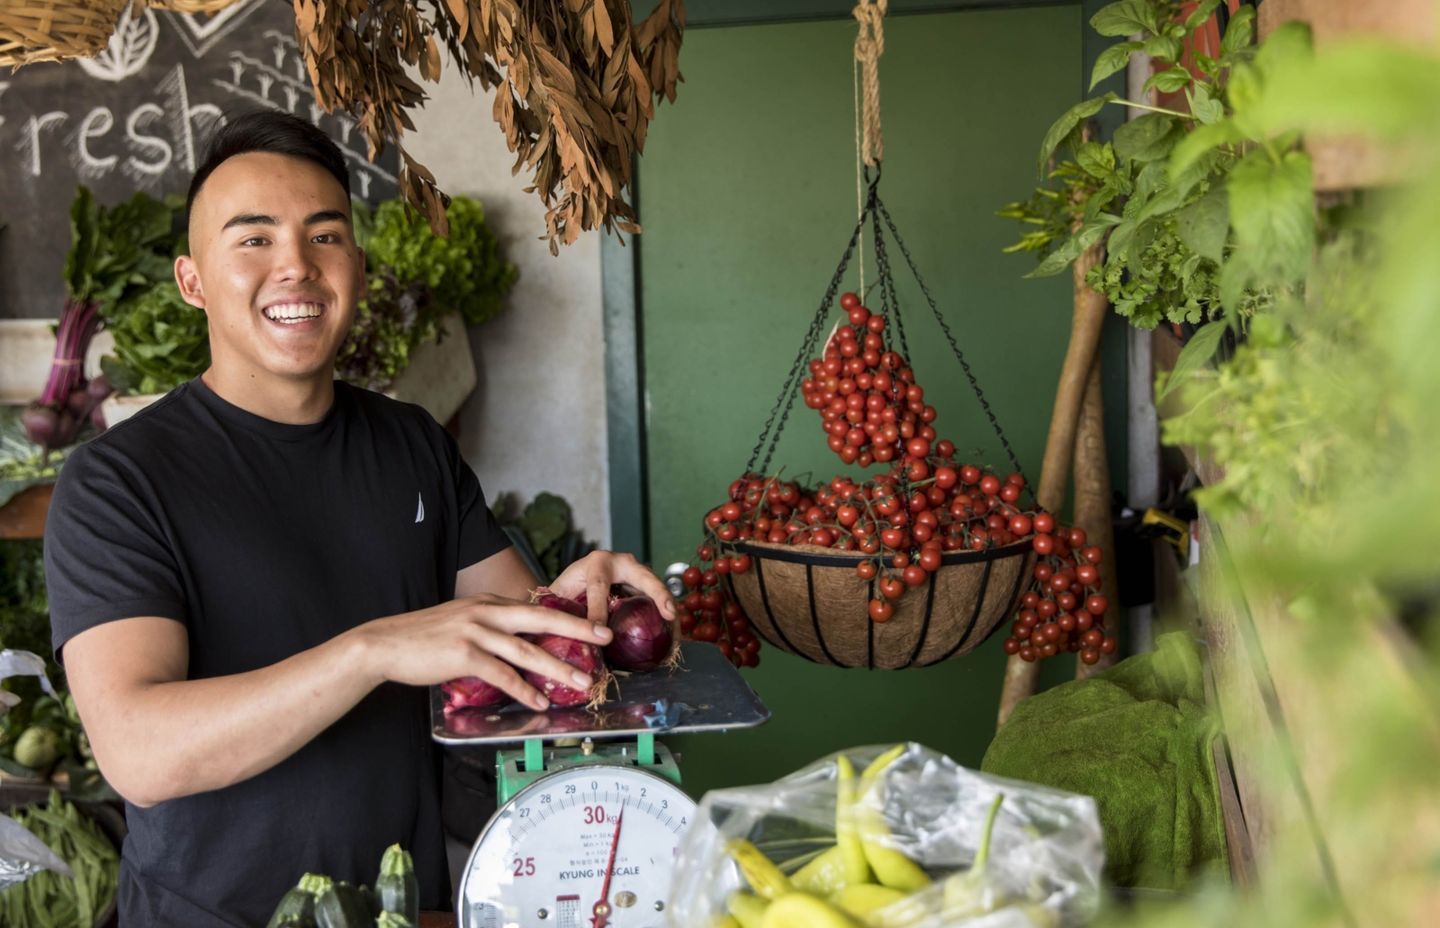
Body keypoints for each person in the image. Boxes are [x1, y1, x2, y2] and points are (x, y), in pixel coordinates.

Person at [42, 110, 674, 926]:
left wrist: (576, 605)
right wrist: (371, 651)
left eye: (325, 236)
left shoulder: (411, 444)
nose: (296, 267)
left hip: (402, 908)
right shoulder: (118, 481)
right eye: (253, 239)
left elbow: (525, 657)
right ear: (192, 280)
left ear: (359, 269)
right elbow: (139, 751)